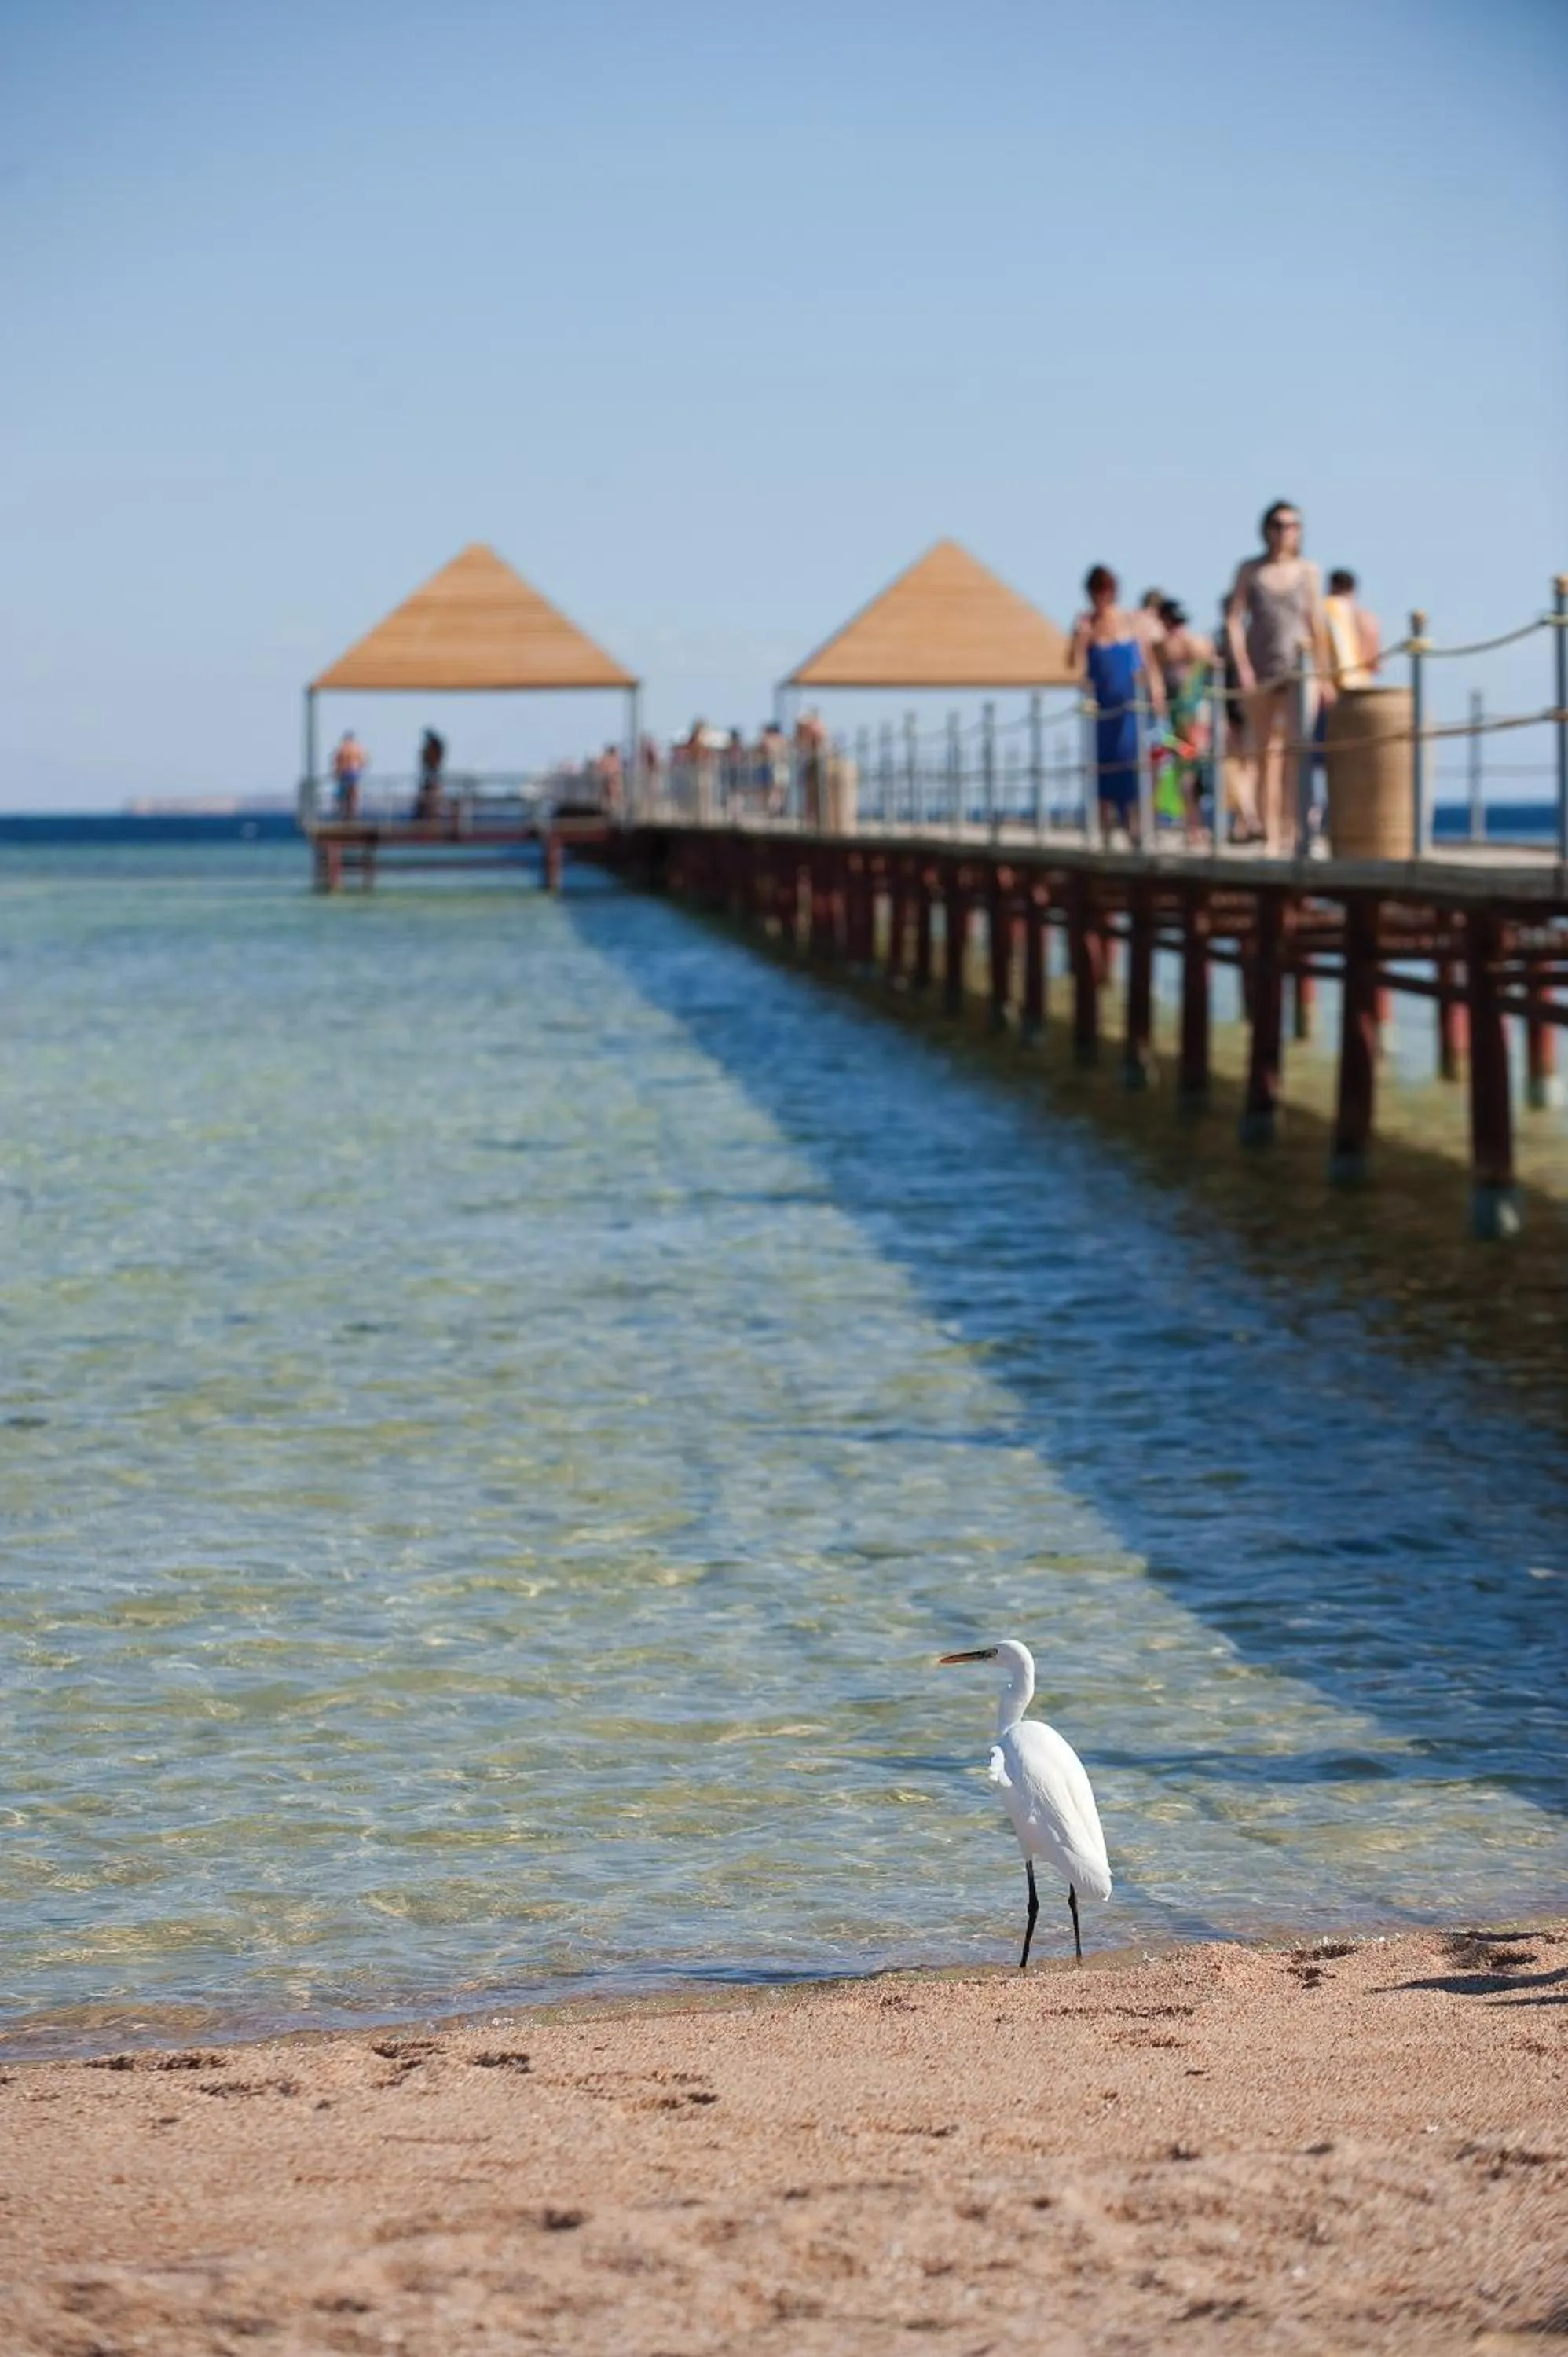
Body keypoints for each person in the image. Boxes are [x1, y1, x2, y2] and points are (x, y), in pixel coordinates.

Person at [1225, 500, 1333, 854]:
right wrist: (1241, 666)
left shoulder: (1309, 571)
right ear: (1266, 527)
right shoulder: (1249, 570)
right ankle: (1271, 835)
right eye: (1278, 524)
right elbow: (1234, 619)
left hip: (1302, 671)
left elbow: (1317, 622)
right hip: (1260, 672)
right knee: (1265, 755)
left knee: (1295, 754)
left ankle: (1295, 830)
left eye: (1292, 525)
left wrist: (1326, 673)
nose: (1284, 531)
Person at [1068, 566, 1165, 845]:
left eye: (1107, 590)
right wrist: (1081, 638)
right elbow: (1077, 669)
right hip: (1102, 711)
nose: (1102, 597)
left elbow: (1149, 662)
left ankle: (1137, 827)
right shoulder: (1086, 624)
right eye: (1097, 591)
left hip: (1132, 709)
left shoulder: (1131, 621)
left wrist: (1157, 694)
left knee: (1133, 764)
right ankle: (1105, 832)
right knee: (1103, 767)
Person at [1152, 600, 1214, 842]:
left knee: (1193, 771)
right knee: (1178, 770)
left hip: (1194, 720)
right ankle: (1190, 825)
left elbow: (1209, 659)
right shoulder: (1160, 648)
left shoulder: (1194, 644)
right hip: (1174, 721)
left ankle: (1195, 825)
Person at [1324, 568, 1382, 687]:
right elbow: (1376, 665)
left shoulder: (1327, 613)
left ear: (1332, 587)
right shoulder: (1369, 619)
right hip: (1363, 687)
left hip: (1334, 688)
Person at [331, 730, 368, 817]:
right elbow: (363, 761)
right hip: (353, 772)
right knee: (352, 793)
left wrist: (336, 772)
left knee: (346, 794)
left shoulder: (342, 748)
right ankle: (352, 811)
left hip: (345, 772)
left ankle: (346, 811)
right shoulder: (358, 748)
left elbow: (336, 761)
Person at [413, 729, 445, 823]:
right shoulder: (432, 748)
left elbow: (433, 761)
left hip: (432, 776)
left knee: (431, 798)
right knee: (426, 798)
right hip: (429, 776)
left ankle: (430, 818)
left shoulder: (435, 747)